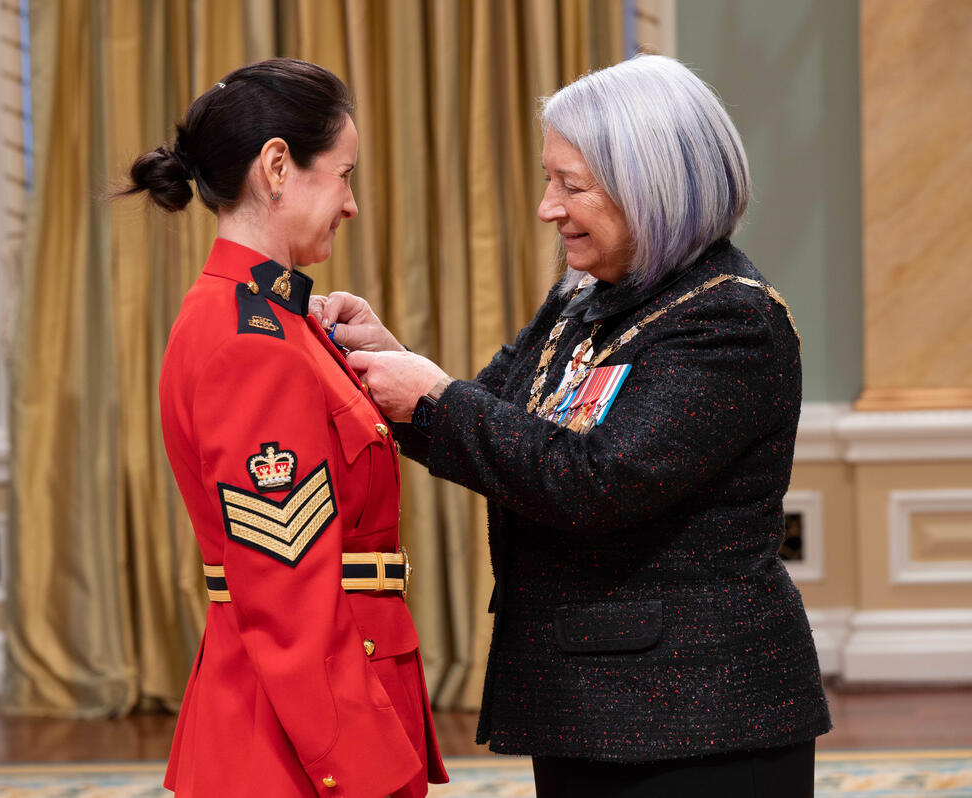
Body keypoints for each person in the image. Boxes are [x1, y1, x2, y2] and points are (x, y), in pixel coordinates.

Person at [315, 54, 831, 798]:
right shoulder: (586, 298)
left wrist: (430, 395)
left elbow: (596, 480)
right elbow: (489, 416)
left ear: (652, 188)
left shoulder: (728, 319)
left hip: (697, 722)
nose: (548, 207)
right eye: (551, 180)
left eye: (572, 185)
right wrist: (392, 361)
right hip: (592, 702)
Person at [121, 58, 447, 798]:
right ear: (276, 166)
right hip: (295, 740)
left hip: (299, 713)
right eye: (343, 174)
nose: (352, 203)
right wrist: (365, 767)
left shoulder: (276, 318)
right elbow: (286, 593)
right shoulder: (252, 340)